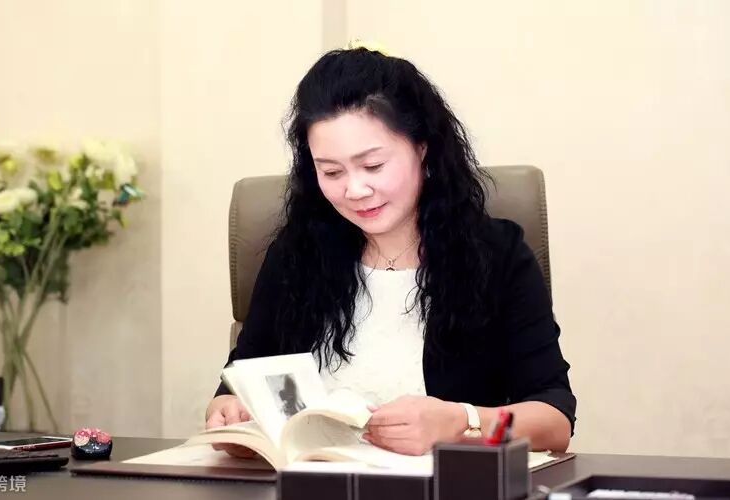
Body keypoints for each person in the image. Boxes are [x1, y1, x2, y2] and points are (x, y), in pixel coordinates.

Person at [205, 43, 575, 459]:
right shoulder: (296, 256)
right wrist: (227, 410)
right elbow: (238, 382)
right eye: (331, 171)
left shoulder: (496, 256)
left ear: (423, 148)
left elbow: (554, 421)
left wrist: (463, 422)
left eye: (373, 166)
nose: (355, 189)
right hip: (312, 483)